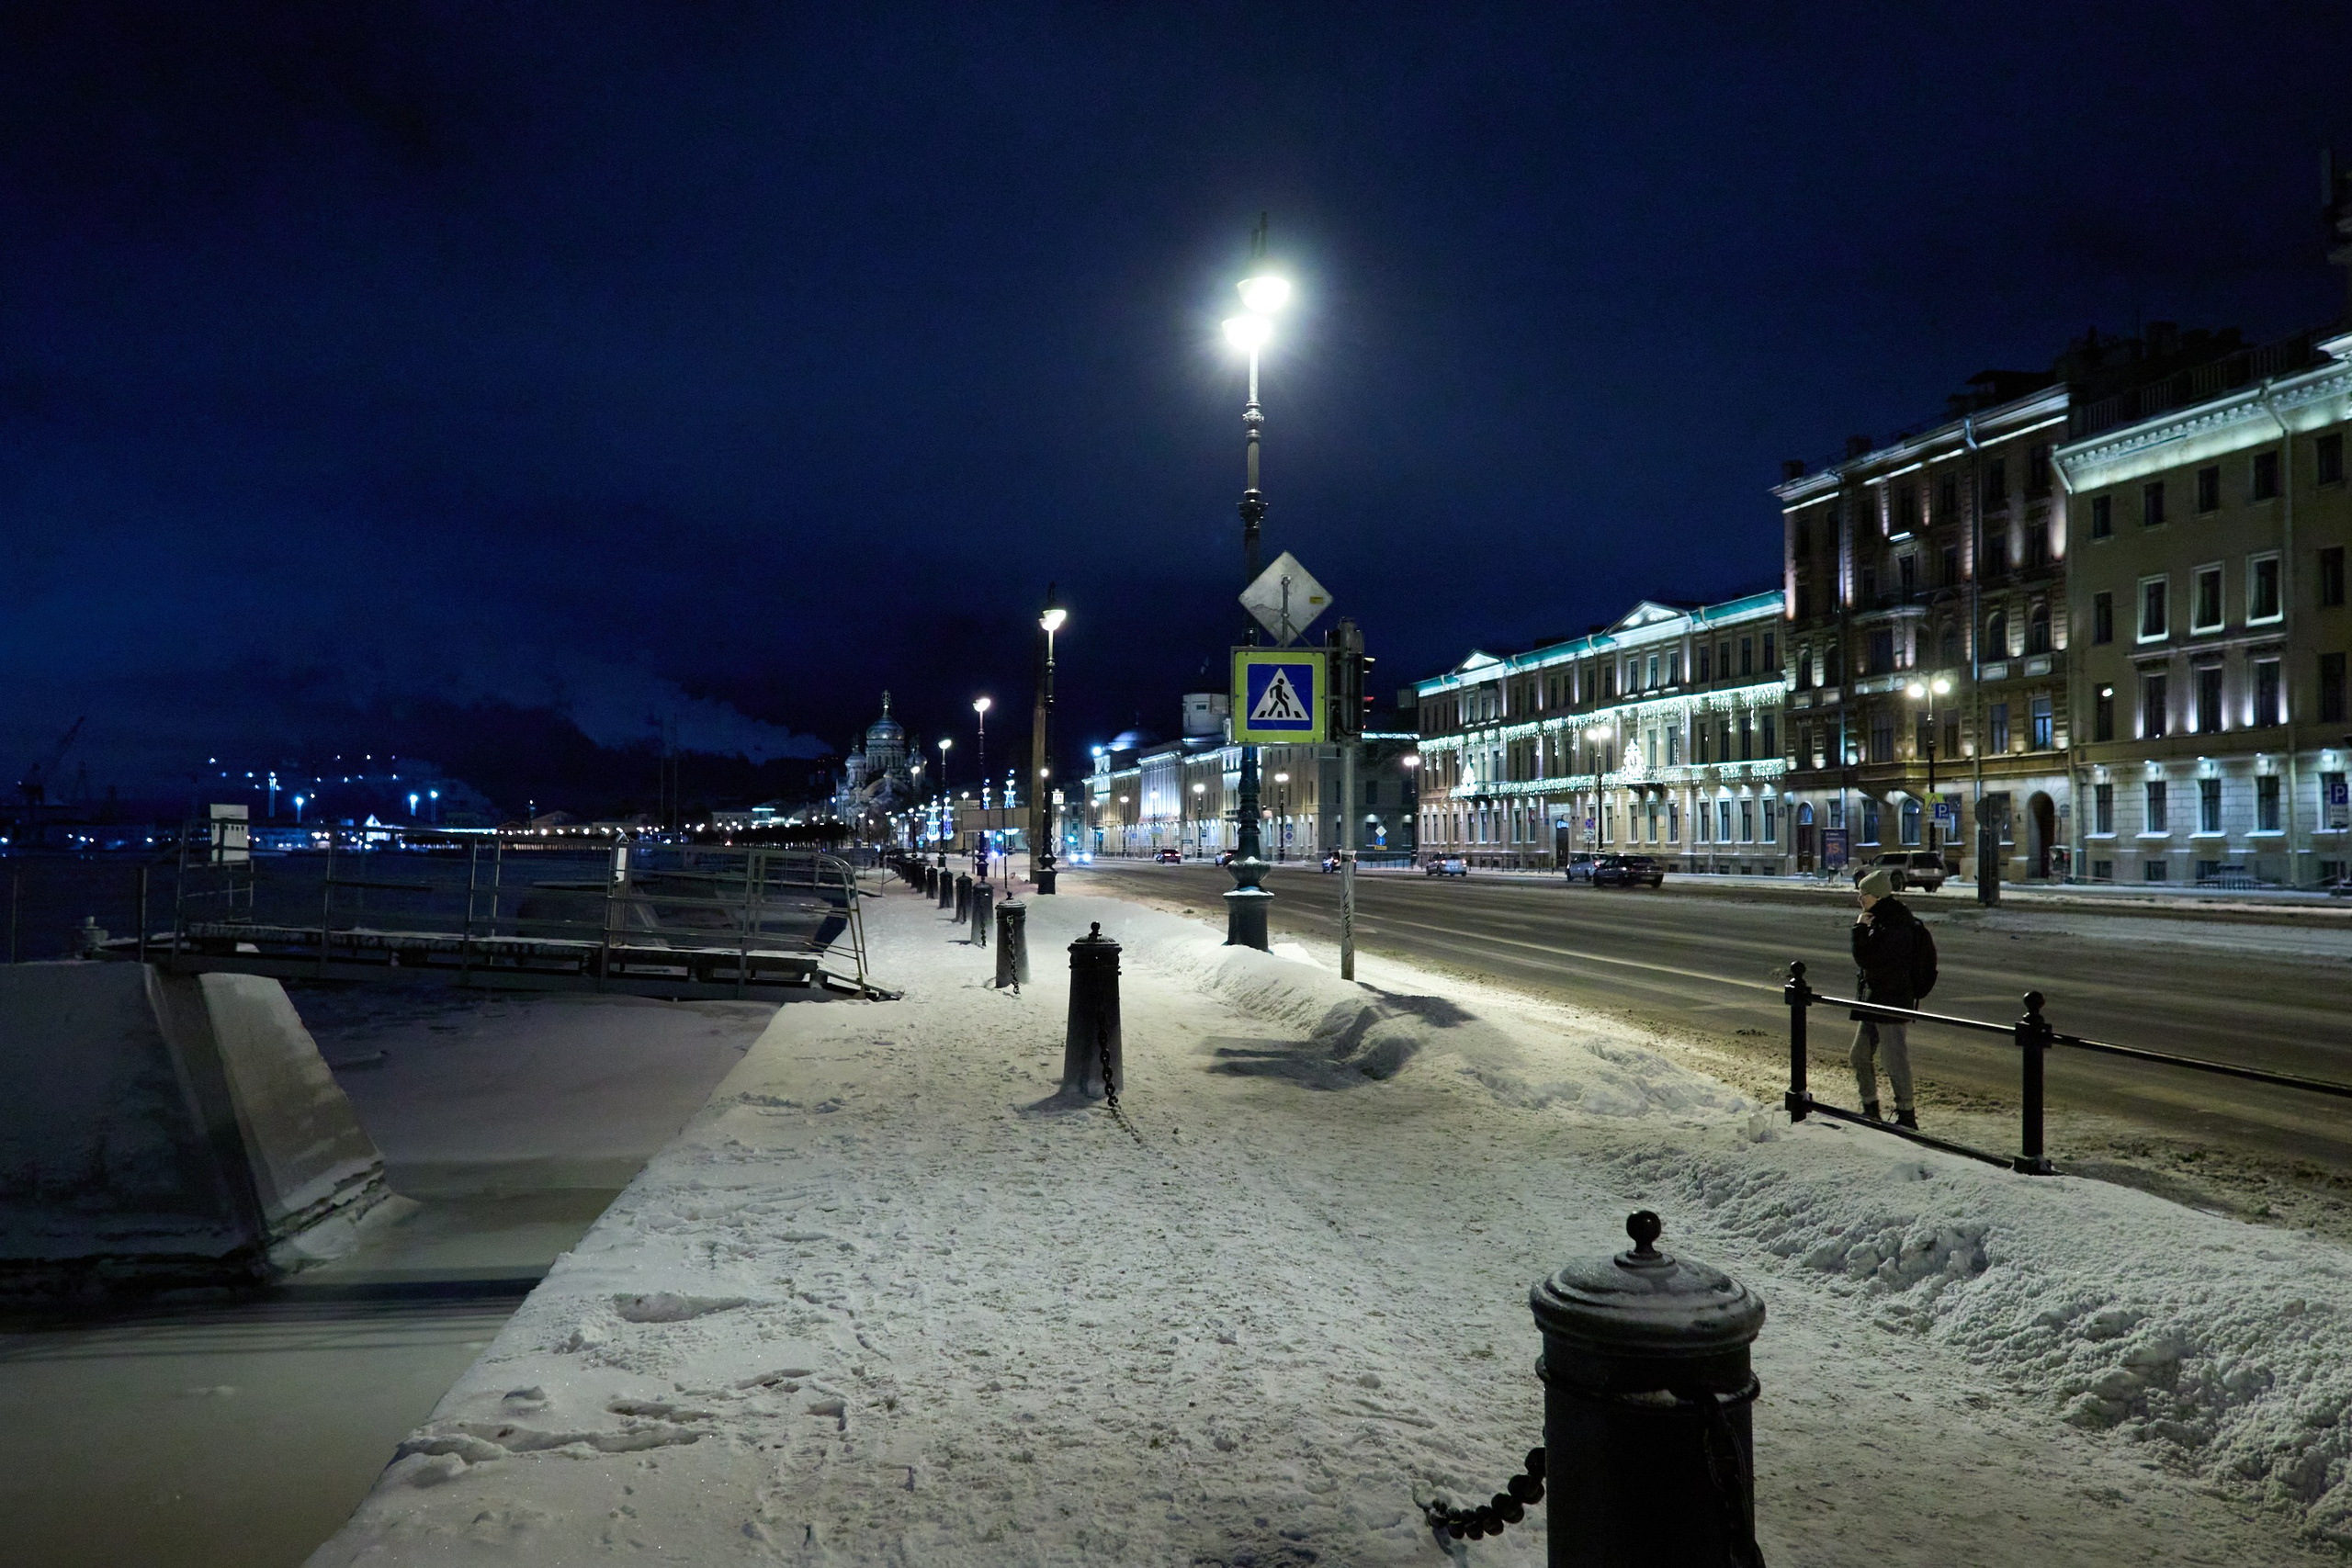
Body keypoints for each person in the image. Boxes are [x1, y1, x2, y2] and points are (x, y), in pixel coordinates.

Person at [1849, 866, 1921, 1128]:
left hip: (1891, 1000)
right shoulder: (1878, 918)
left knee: (1894, 1060)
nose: (1860, 899)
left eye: (1864, 894)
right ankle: (1870, 1107)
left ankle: (1906, 1115)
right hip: (1874, 998)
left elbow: (1868, 959)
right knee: (1859, 1055)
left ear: (1878, 896)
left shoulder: (1895, 923)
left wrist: (1859, 931)